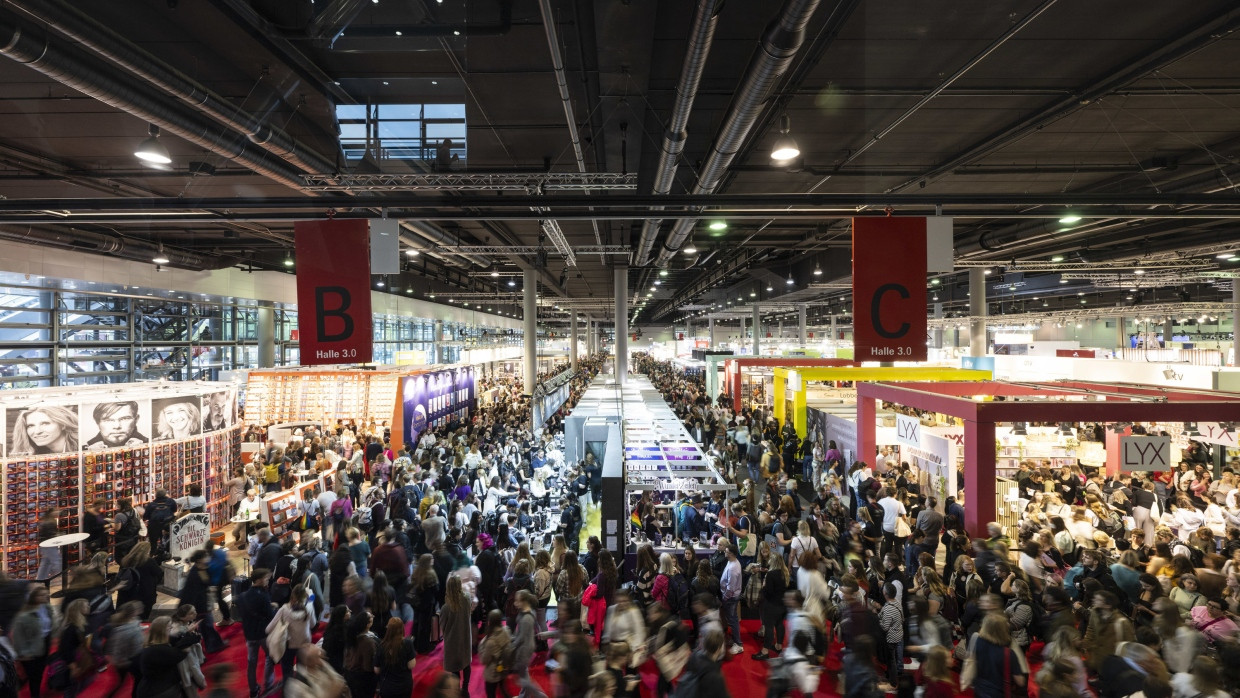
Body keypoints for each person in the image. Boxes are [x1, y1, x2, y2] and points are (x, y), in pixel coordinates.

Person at [963, 613, 1028, 698]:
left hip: (979, 690)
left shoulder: (976, 641)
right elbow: (1020, 681)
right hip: (998, 693)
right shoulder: (1008, 653)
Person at [135, 617, 201, 698]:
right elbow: (181, 653)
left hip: (153, 687)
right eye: (169, 626)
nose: (172, 628)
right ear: (163, 630)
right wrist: (189, 640)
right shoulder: (159, 650)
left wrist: (187, 631)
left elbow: (176, 640)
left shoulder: (152, 644)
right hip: (160, 691)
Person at [10, 584, 55, 698]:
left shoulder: (47, 608)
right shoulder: (23, 616)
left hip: (44, 643)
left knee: (39, 673)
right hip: (30, 649)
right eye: (42, 595)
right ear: (34, 597)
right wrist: (23, 652)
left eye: (46, 594)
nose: (47, 596)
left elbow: (51, 626)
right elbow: (18, 636)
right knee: (34, 676)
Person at [266, 584, 317, 685]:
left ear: (292, 594)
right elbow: (313, 624)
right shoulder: (309, 607)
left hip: (289, 644)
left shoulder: (284, 609)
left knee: (287, 671)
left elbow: (268, 629)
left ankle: (287, 691)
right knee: (302, 669)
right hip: (304, 642)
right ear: (305, 596)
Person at [238, 568, 277, 698]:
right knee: (270, 657)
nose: (268, 581)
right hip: (263, 634)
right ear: (260, 580)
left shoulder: (242, 596)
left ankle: (253, 690)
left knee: (251, 663)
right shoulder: (263, 596)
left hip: (249, 635)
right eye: (266, 578)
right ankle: (269, 684)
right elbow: (270, 616)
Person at [103, 601, 143, 698]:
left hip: (127, 659)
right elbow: (119, 646)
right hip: (126, 660)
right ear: (133, 612)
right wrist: (119, 660)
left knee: (124, 681)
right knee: (130, 681)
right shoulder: (126, 629)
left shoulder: (131, 623)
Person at [441, 575, 474, 692]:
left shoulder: (446, 607)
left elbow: (442, 625)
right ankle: (465, 688)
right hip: (465, 636)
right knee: (466, 664)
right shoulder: (466, 598)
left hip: (452, 640)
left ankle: (457, 689)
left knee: (454, 668)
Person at [512, 590, 547, 698]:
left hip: (524, 649)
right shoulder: (526, 612)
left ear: (524, 602)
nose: (515, 603)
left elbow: (521, 638)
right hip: (525, 646)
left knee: (524, 678)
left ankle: (538, 695)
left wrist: (511, 646)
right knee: (524, 675)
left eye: (517, 601)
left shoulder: (527, 618)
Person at [374, 617, 417, 698]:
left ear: (388, 629)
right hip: (404, 686)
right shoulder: (408, 643)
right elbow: (411, 665)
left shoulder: (381, 646)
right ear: (402, 628)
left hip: (387, 687)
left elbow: (377, 670)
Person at [9, 405, 78, 455]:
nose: (37, 431)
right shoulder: (38, 453)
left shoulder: (81, 448)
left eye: (45, 424)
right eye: (31, 426)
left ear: (63, 425)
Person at [343, 612, 379, 698]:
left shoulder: (354, 635)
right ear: (367, 624)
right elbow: (368, 666)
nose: (373, 616)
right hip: (363, 679)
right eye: (371, 616)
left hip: (351, 675)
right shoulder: (368, 642)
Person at [478, 610, 513, 698]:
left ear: (490, 621)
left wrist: (481, 646)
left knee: (491, 694)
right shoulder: (506, 630)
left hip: (493, 673)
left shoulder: (491, 641)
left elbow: (484, 660)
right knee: (502, 688)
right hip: (504, 667)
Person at [719, 542, 744, 655]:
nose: (725, 553)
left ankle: (738, 644)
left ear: (732, 554)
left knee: (733, 620)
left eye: (727, 552)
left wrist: (724, 598)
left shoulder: (733, 568)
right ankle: (735, 640)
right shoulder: (732, 562)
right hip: (731, 596)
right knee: (732, 619)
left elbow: (730, 588)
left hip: (731, 598)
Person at [143, 488, 179, 553]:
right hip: (168, 525)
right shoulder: (171, 501)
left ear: (156, 495)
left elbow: (146, 516)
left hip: (154, 526)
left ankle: (153, 554)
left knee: (153, 543)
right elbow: (175, 510)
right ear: (165, 494)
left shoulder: (151, 505)